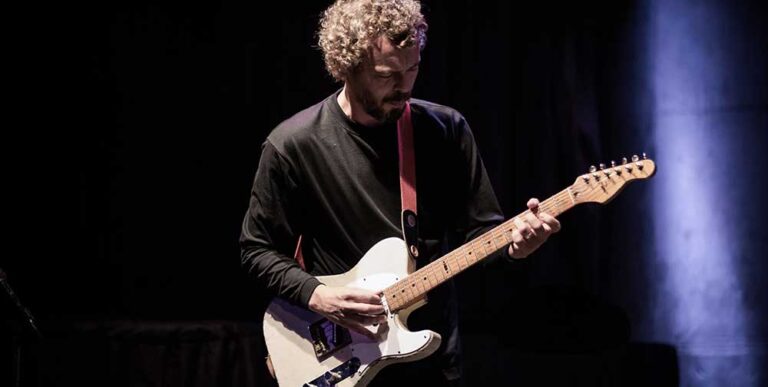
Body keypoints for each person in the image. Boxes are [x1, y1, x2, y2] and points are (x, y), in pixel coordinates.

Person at [239, 0, 561, 385]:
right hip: (337, 357)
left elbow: (481, 234)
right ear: (347, 66)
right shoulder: (293, 145)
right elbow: (256, 250)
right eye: (386, 74)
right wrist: (316, 295)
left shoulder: (446, 130)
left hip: (431, 360)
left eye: (412, 69)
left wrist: (515, 246)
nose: (404, 86)